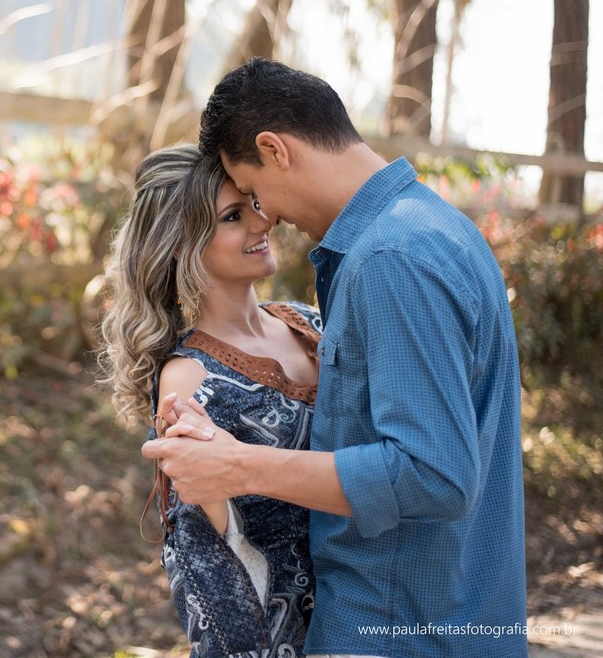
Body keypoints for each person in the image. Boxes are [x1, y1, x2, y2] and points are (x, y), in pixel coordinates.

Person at [144, 57, 527, 658]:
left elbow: (434, 475)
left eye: (252, 190)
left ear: (276, 150)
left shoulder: (389, 260)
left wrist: (240, 466)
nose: (265, 214)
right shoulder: (437, 229)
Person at [98, 143, 323, 657]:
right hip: (293, 637)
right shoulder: (191, 380)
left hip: (378, 604)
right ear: (183, 245)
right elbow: (206, 561)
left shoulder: (307, 322)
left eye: (254, 205)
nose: (261, 224)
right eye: (232, 216)